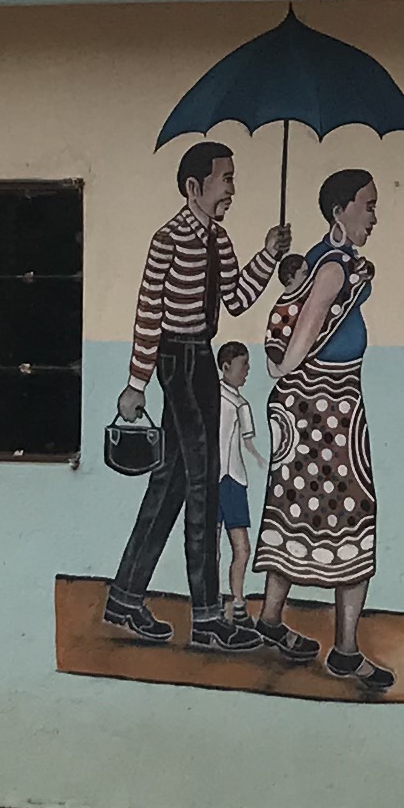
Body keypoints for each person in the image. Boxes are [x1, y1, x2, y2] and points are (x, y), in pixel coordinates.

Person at [102, 141, 291, 651]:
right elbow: (147, 313)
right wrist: (137, 383)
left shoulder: (221, 240)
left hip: (203, 360)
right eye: (225, 178)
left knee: (172, 483)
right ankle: (208, 621)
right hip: (176, 362)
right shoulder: (168, 239)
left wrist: (269, 255)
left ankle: (124, 598)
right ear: (194, 187)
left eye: (232, 178)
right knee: (204, 482)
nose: (232, 188)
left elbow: (236, 298)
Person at [248, 166, 391, 692]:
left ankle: (269, 619)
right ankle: (347, 653)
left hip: (314, 407)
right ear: (341, 210)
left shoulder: (320, 259)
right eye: (369, 206)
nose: (375, 216)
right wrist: (287, 369)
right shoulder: (332, 267)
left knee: (295, 508)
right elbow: (303, 333)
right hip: (327, 407)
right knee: (351, 514)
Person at [214, 340, 260, 606]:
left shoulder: (243, 405)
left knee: (241, 549)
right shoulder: (211, 397)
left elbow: (248, 443)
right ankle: (214, 599)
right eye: (243, 365)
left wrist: (260, 459)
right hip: (216, 479)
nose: (247, 370)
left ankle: (238, 600)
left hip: (234, 480)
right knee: (214, 548)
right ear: (226, 366)